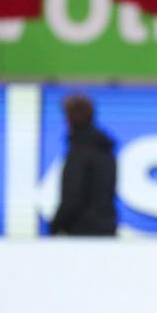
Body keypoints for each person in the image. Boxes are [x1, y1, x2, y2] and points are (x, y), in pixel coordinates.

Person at [49, 94, 117, 236]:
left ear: (69, 119)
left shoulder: (78, 153)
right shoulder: (106, 150)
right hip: (107, 230)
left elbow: (72, 198)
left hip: (81, 234)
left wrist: (55, 226)